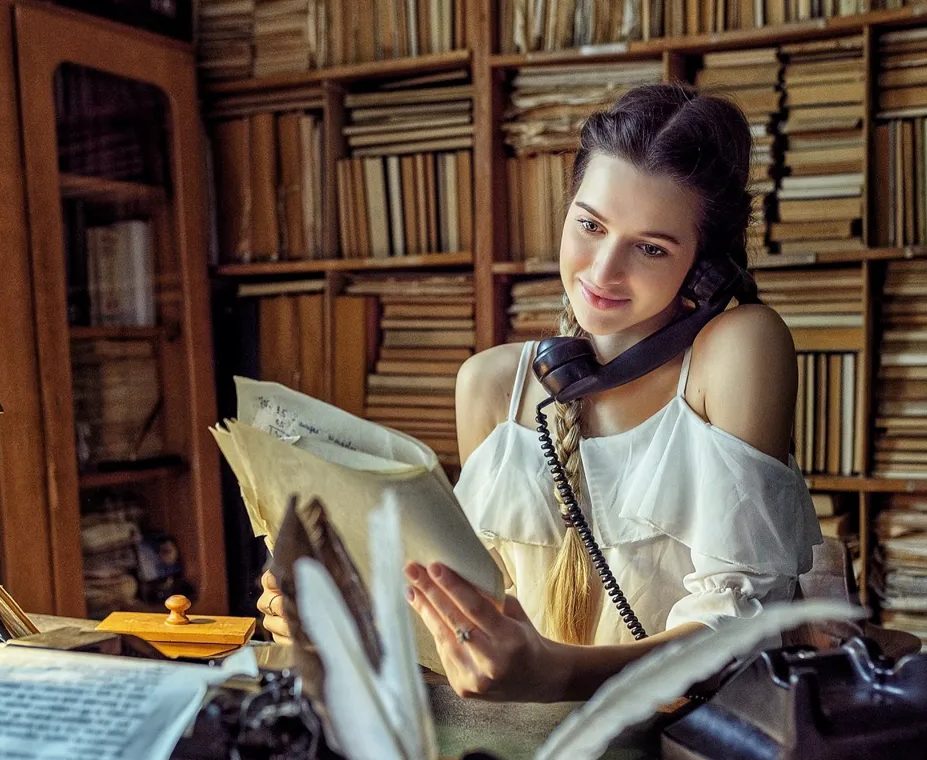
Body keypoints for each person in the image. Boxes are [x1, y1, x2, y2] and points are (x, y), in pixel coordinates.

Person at [258, 82, 822, 702]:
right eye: (590, 225)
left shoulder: (741, 347)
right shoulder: (490, 386)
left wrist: (557, 672)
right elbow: (486, 617)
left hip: (685, 745)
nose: (603, 271)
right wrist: (351, 614)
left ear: (706, 267)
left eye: (651, 247)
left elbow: (744, 628)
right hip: (519, 740)